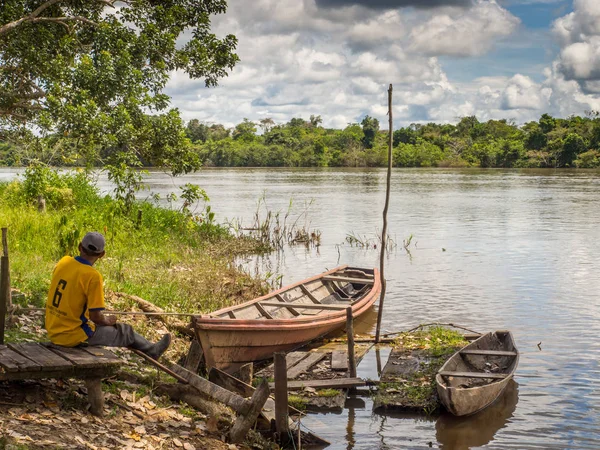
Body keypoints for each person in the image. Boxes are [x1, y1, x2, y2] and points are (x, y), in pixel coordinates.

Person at [45, 231, 171, 359]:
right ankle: (152, 350)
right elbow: (96, 317)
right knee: (125, 332)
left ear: (79, 247)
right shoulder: (92, 276)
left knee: (99, 326)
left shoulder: (64, 261)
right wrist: (108, 320)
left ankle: (149, 349)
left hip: (53, 329)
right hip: (71, 336)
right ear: (101, 254)